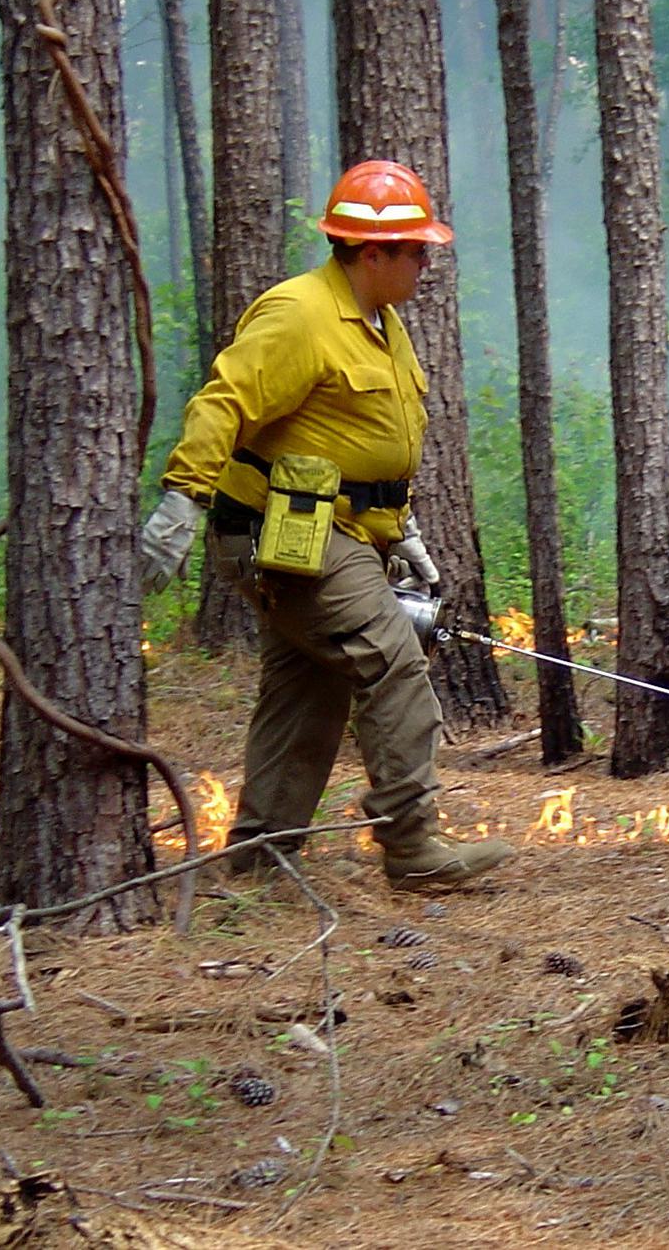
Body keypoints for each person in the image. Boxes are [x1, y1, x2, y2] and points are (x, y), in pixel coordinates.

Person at [139, 160, 512, 893]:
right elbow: (226, 401)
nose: (426, 261)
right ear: (371, 252)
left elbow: (362, 436)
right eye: (415, 248)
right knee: (393, 660)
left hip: (339, 527)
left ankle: (260, 859)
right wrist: (181, 499)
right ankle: (412, 846)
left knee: (307, 685)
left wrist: (400, 528)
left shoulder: (384, 324)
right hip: (284, 529)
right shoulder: (300, 314)